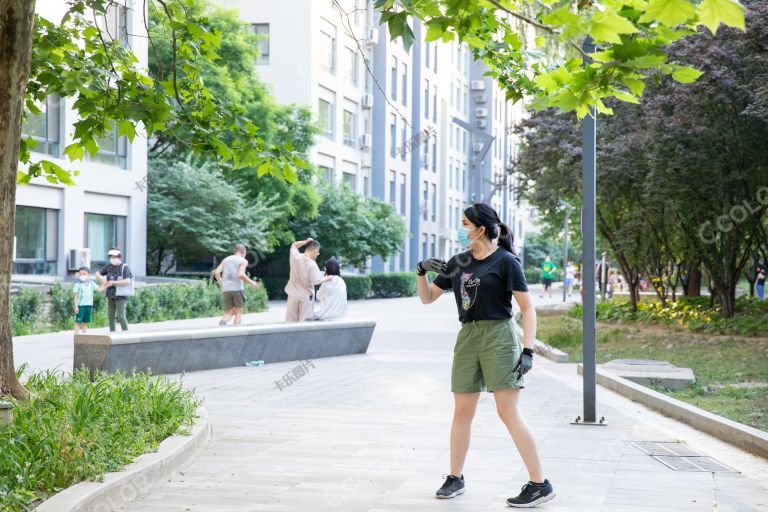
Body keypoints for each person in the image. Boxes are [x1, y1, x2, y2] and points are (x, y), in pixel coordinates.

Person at [416, 202, 555, 508]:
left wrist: (528, 350)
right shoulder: (458, 261)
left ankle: (539, 483)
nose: (461, 228)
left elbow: (528, 308)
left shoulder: (506, 261)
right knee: (462, 411)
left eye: (465, 224)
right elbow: (427, 298)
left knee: (507, 412)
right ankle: (455, 477)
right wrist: (421, 271)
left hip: (499, 337)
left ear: (481, 229)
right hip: (468, 337)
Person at [214, 244, 260, 326]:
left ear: (235, 251)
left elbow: (217, 272)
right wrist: (252, 282)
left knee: (228, 312)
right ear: (243, 252)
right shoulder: (243, 261)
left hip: (226, 289)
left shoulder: (226, 259)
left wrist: (221, 283)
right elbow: (240, 274)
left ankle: (222, 323)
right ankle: (236, 331)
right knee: (239, 312)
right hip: (237, 288)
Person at [284, 238, 324, 322]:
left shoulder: (295, 257)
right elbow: (316, 281)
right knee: (304, 324)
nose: (317, 254)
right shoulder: (312, 264)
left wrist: (306, 241)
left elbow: (294, 245)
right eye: (318, 252)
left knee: (290, 323)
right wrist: (326, 276)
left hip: (292, 294)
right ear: (315, 250)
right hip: (306, 297)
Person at [96, 248, 132, 332]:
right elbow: (98, 273)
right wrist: (102, 279)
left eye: (114, 256)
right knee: (110, 315)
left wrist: (114, 282)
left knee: (121, 316)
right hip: (110, 294)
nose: (112, 258)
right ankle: (112, 333)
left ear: (119, 257)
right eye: (111, 257)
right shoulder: (108, 266)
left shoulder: (124, 267)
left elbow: (127, 281)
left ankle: (126, 334)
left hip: (121, 295)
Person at [73, 266, 102, 334]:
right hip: (80, 306)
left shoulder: (91, 283)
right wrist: (76, 306)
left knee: (85, 323)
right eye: (80, 274)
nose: (82, 275)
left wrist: (106, 284)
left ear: (88, 274)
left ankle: (84, 337)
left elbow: (99, 289)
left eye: (84, 273)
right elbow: (76, 296)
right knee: (78, 322)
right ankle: (76, 337)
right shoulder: (77, 285)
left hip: (89, 305)